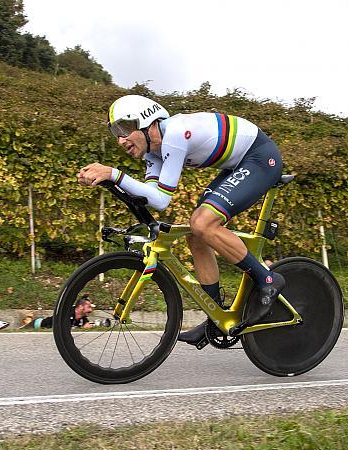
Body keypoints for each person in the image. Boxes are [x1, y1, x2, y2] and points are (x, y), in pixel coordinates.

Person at [77, 94, 285, 344]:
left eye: (124, 129)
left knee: (202, 223)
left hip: (260, 157)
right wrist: (111, 181)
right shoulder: (152, 153)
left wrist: (113, 173)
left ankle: (268, 279)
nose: (120, 140)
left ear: (147, 122)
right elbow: (152, 197)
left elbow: (163, 199)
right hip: (237, 165)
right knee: (196, 237)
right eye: (115, 133)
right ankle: (216, 316)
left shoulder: (175, 134)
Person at [20, 296, 107, 329]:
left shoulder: (82, 317)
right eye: (88, 307)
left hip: (43, 326)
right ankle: (27, 321)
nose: (90, 310)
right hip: (38, 324)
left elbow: (86, 325)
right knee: (21, 331)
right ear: (80, 307)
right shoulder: (68, 313)